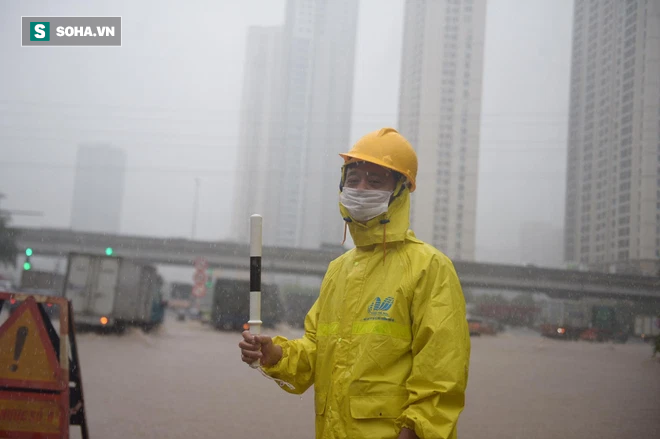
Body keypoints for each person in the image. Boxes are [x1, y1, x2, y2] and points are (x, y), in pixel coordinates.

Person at [239, 127, 471, 439]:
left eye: (375, 181)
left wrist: (416, 432)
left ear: (400, 190)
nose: (360, 189)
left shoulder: (429, 268)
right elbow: (317, 352)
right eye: (353, 179)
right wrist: (276, 355)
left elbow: (442, 372)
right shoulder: (339, 270)